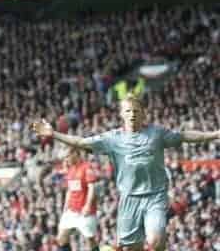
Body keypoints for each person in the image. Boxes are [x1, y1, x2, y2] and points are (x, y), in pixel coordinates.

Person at [32, 93, 220, 251]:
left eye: (136, 111)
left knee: (155, 240)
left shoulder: (157, 133)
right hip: (129, 198)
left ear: (143, 113)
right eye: (128, 111)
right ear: (122, 114)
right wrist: (54, 134)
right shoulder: (112, 139)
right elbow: (81, 142)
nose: (132, 115)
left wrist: (214, 134)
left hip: (155, 196)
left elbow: (185, 136)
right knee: (132, 248)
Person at [57, 146, 99, 251]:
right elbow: (70, 190)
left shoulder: (86, 167)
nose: (66, 160)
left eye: (67, 157)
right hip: (71, 210)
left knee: (90, 240)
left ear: (75, 153)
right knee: (61, 238)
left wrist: (88, 205)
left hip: (84, 211)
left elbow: (91, 187)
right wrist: (65, 206)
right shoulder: (70, 170)